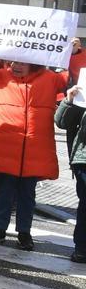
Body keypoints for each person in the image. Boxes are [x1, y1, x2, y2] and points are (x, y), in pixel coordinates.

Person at [0, 28, 65, 249]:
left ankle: (24, 233)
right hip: (5, 149)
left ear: (34, 62)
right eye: (13, 61)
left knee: (27, 196)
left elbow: (76, 77)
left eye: (22, 62)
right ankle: (0, 229)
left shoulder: (50, 79)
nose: (16, 65)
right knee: (3, 194)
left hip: (33, 151)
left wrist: (76, 53)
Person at [55, 82, 86, 262]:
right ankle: (81, 248)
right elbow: (62, 122)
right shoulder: (81, 90)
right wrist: (69, 100)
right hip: (83, 158)